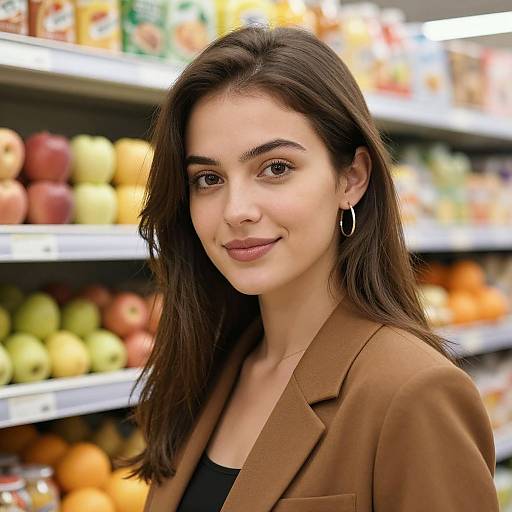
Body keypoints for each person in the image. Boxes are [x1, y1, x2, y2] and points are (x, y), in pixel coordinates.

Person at [131, 26, 499, 511]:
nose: (235, 209)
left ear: (352, 178)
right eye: (208, 178)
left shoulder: (413, 392)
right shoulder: (205, 370)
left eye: (275, 168)